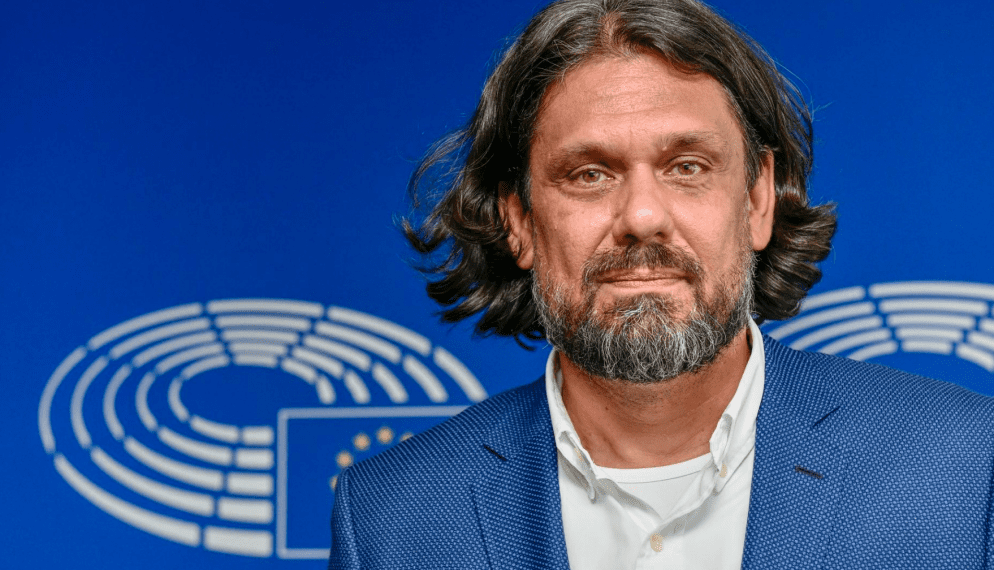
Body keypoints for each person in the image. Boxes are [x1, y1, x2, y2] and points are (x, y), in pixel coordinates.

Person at [329, 0, 994, 568]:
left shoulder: (964, 469)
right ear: (519, 220)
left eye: (687, 166)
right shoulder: (391, 520)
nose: (642, 217)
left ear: (758, 199)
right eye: (589, 174)